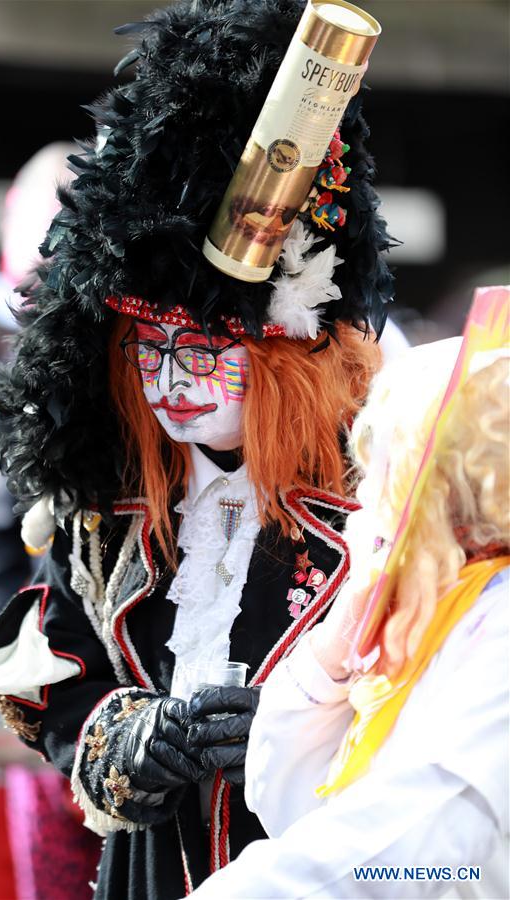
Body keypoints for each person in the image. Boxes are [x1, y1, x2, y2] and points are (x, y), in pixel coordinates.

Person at [0, 1, 396, 897]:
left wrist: (299, 741)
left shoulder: (383, 501)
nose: (172, 381)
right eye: (152, 352)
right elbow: (36, 667)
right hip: (153, 869)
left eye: (204, 354)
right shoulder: (116, 500)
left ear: (285, 358)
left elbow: (447, 710)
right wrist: (125, 738)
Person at [186, 331, 509, 899]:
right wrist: (334, 651)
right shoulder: (437, 601)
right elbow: (291, 794)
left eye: (389, 467)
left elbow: (416, 854)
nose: (368, 499)